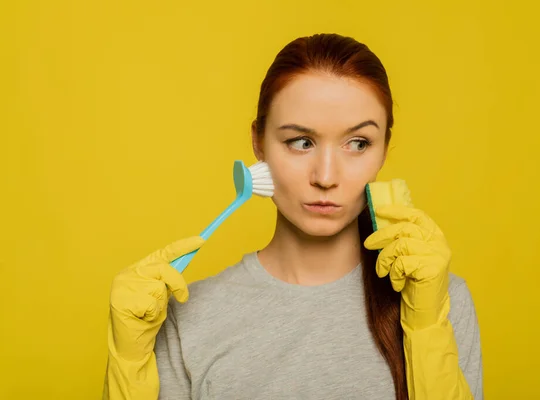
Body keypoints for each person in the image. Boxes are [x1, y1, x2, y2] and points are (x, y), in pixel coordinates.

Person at [103, 33, 483, 400]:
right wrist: (128, 363)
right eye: (301, 142)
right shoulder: (186, 316)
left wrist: (426, 327)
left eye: (358, 144)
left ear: (383, 150)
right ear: (259, 143)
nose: (326, 177)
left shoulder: (439, 300)